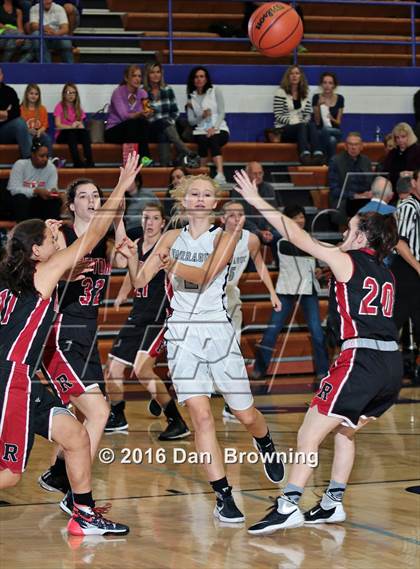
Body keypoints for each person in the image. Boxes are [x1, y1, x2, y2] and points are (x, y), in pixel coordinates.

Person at [233, 168, 402, 535]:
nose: (344, 233)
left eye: (351, 228)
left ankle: (288, 504)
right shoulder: (386, 274)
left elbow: (297, 236)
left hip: (361, 360)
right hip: (391, 364)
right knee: (345, 431)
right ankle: (331, 503)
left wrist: (256, 201)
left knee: (309, 433)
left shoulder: (348, 260)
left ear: (363, 237)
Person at [120, 174, 284, 523]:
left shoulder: (227, 236)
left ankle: (265, 439)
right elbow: (139, 281)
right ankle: (223, 495)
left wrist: (171, 264)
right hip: (181, 334)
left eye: (206, 194)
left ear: (214, 202)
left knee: (245, 414)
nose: (198, 199)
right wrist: (132, 257)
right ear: (183, 199)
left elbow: (206, 276)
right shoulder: (168, 236)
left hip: (218, 332)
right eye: (193, 193)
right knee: (200, 415)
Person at [0, 152, 141, 535]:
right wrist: (123, 186)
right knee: (10, 476)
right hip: (14, 378)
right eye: (49, 239)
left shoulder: (12, 278)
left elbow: (91, 251)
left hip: (25, 380)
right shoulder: (43, 273)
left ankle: (83, 514)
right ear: (37, 253)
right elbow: (92, 235)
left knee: (76, 436)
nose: (55, 239)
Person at [39, 174, 129, 514]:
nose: (92, 200)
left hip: (87, 336)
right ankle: (76, 497)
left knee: (82, 412)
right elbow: (66, 269)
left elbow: (123, 262)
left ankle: (57, 473)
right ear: (72, 204)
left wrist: (118, 222)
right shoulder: (61, 235)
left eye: (97, 195)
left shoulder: (104, 240)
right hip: (60, 335)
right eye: (85, 196)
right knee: (100, 412)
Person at [104, 203, 191, 440]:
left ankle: (176, 420)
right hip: (139, 314)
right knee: (112, 370)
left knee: (142, 370)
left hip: (160, 316)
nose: (149, 222)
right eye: (145, 217)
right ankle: (117, 415)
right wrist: (123, 293)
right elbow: (132, 272)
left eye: (154, 218)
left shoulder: (168, 245)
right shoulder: (138, 244)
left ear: (163, 222)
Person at [252, 204, 329, 383]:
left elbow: (312, 261)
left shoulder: (309, 238)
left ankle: (323, 371)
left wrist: (317, 270)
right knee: (272, 331)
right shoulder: (280, 237)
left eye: (302, 216)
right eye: (295, 217)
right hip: (286, 289)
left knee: (317, 332)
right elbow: (266, 235)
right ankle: (259, 369)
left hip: (308, 290)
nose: (300, 220)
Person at [220, 200, 282, 420]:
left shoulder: (251, 240)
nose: (237, 218)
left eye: (240, 214)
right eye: (231, 215)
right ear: (222, 218)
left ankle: (231, 404)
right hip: (207, 298)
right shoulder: (213, 238)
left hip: (230, 295)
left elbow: (260, 265)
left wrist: (272, 293)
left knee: (233, 352)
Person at [144, 62, 200, 168]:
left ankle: (164, 167)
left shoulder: (168, 90)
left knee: (163, 133)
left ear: (161, 74)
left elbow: (175, 112)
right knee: (161, 123)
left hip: (167, 128)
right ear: (147, 75)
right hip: (151, 128)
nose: (156, 75)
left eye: (158, 72)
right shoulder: (143, 92)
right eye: (152, 72)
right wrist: (164, 122)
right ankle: (188, 152)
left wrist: (168, 123)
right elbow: (146, 116)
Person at [392, 169, 420, 357]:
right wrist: (418, 267)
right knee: (395, 320)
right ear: (413, 183)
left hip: (414, 270)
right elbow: (399, 243)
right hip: (408, 269)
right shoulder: (408, 206)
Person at [186, 66, 229, 185]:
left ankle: (220, 174)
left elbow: (222, 112)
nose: (199, 79)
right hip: (201, 130)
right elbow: (191, 121)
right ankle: (202, 173)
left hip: (219, 128)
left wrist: (214, 128)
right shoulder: (191, 98)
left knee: (213, 137)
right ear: (192, 80)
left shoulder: (215, 91)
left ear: (206, 78)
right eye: (196, 77)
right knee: (202, 140)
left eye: (201, 76)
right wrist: (202, 116)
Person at [273, 65, 324, 165]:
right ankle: (304, 155)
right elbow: (278, 115)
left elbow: (307, 115)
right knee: (302, 126)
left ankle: (318, 154)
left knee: (311, 125)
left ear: (301, 76)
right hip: (284, 128)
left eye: (297, 73)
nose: (294, 76)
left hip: (301, 129)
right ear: (288, 77)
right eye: (291, 74)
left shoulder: (305, 93)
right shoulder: (281, 92)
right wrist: (296, 123)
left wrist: (302, 123)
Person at [7, 138, 61, 221]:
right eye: (42, 156)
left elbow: (51, 188)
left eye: (47, 156)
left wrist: (52, 192)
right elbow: (14, 189)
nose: (45, 159)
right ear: (32, 155)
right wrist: (35, 191)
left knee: (55, 201)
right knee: (20, 198)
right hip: (21, 204)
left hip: (38, 203)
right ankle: (24, 229)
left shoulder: (51, 167)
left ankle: (50, 229)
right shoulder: (20, 165)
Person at [105, 64, 151, 159]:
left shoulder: (143, 93)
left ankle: (141, 160)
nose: (137, 79)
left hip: (133, 131)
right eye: (134, 76)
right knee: (132, 124)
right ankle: (139, 159)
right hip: (114, 130)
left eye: (139, 76)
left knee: (142, 123)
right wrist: (140, 113)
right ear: (126, 78)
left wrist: (148, 113)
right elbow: (124, 116)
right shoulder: (118, 92)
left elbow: (146, 112)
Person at [231, 161, 281, 246]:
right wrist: (258, 232)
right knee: (250, 239)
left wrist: (267, 229)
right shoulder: (238, 190)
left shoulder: (269, 189)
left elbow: (273, 212)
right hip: (247, 229)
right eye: (255, 174)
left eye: (260, 173)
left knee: (281, 238)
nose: (258, 176)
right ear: (247, 174)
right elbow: (240, 217)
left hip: (266, 228)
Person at [328, 132, 373, 220]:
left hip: (364, 199)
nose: (353, 147)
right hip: (344, 200)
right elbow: (334, 190)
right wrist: (355, 195)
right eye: (350, 144)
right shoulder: (335, 161)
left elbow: (370, 183)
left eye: (356, 144)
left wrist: (370, 192)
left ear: (361, 146)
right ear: (345, 146)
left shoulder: (366, 161)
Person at [54, 82, 94, 168]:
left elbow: (82, 125)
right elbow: (58, 124)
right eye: (68, 92)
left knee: (85, 133)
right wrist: (70, 127)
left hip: (75, 134)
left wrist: (79, 125)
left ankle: (89, 161)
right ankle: (77, 162)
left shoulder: (78, 107)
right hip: (63, 135)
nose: (71, 95)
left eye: (73, 93)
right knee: (71, 133)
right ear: (64, 94)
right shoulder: (59, 106)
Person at [0, 67, 32, 158]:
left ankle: (30, 161)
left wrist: (6, 114)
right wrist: (4, 112)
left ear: (2, 76)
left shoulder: (10, 91)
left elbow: (16, 112)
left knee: (20, 123)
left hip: (4, 132)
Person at [312, 72, 344, 161]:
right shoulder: (316, 97)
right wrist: (318, 106)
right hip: (320, 131)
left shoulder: (340, 98)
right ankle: (330, 165)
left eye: (330, 83)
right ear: (321, 84)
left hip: (335, 130)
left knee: (327, 131)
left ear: (334, 85)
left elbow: (338, 122)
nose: (327, 85)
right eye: (325, 82)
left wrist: (331, 118)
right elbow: (317, 122)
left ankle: (320, 155)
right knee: (332, 140)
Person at [383, 122, 420, 192]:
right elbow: (386, 172)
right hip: (394, 189)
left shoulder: (417, 150)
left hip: (414, 189)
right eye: (397, 137)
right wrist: (399, 174)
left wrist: (413, 173)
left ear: (409, 136)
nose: (400, 140)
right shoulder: (393, 152)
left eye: (403, 136)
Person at [124, 170, 160, 240]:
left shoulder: (148, 194)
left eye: (129, 180)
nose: (126, 183)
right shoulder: (122, 198)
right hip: (131, 230)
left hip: (149, 226)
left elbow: (159, 210)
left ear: (137, 182)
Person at [20, 83, 53, 155]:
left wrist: (39, 131)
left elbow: (45, 125)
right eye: (31, 93)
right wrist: (28, 131)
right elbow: (20, 127)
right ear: (26, 94)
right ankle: (29, 160)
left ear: (39, 96)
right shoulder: (21, 109)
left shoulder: (42, 109)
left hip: (39, 133)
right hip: (26, 133)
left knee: (47, 138)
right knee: (28, 139)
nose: (33, 96)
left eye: (36, 94)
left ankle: (49, 159)